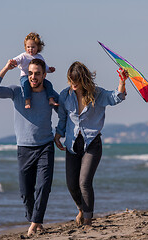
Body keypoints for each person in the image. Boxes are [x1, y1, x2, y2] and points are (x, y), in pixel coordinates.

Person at [0, 58, 58, 236]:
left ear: (44, 75)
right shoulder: (17, 92)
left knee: (43, 186)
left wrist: (59, 134)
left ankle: (34, 224)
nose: (33, 77)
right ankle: (35, 220)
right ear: (26, 73)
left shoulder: (51, 96)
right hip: (24, 148)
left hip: (45, 146)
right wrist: (5, 68)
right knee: (26, 192)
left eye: (37, 73)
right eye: (30, 73)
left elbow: (64, 114)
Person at [54, 61, 128, 228]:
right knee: (71, 184)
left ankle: (88, 220)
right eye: (71, 80)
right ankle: (81, 209)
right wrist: (58, 135)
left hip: (92, 142)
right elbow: (63, 118)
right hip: (72, 144)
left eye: (76, 80)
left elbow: (116, 97)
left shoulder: (97, 94)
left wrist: (122, 81)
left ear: (83, 79)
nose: (73, 83)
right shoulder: (65, 95)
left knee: (84, 182)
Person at [11, 32, 57, 108]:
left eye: (33, 47)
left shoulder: (39, 57)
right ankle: (27, 101)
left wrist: (49, 70)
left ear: (38, 47)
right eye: (28, 47)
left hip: (37, 78)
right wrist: (13, 62)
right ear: (25, 47)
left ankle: (51, 99)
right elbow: (17, 60)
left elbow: (44, 67)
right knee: (26, 84)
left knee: (48, 84)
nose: (30, 49)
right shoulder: (23, 56)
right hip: (25, 76)